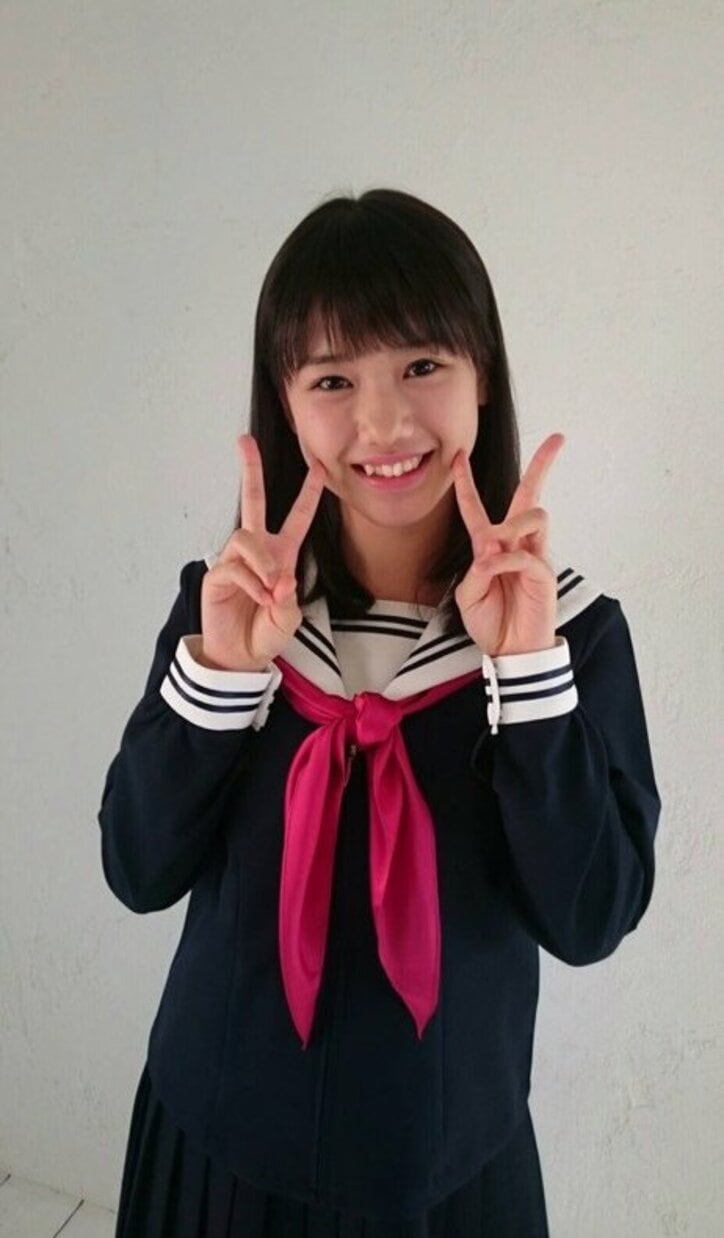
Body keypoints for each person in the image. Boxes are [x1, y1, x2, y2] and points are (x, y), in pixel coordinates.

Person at [99, 187, 662, 1237]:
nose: (385, 422)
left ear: (483, 375)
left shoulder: (570, 636)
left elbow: (590, 917)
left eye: (422, 364)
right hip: (214, 1154)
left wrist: (527, 673)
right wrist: (223, 677)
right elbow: (136, 868)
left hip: (445, 1176)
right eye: (332, 378)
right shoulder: (227, 610)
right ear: (285, 403)